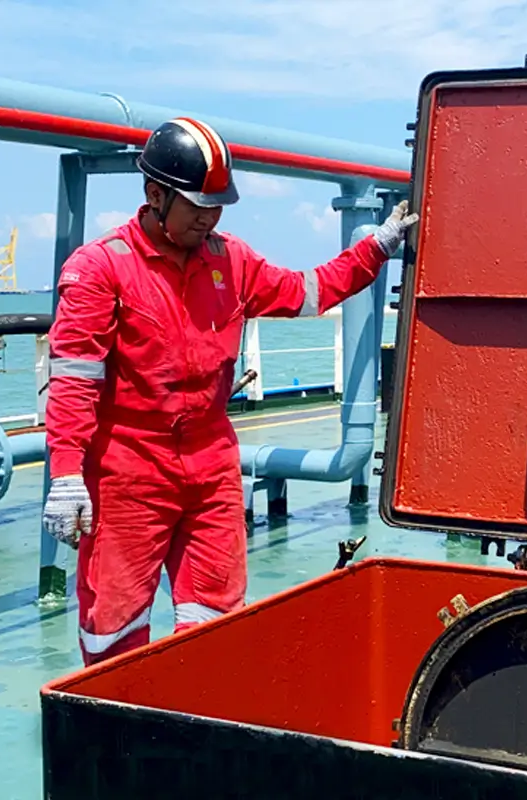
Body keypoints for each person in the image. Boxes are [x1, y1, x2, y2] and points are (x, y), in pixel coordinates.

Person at [41, 117, 418, 666]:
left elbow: (305, 293)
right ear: (154, 195)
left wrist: (375, 249)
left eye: (217, 206)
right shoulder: (100, 269)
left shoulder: (230, 259)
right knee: (113, 626)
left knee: (218, 619)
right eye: (197, 206)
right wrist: (68, 475)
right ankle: (121, 735)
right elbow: (75, 381)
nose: (209, 218)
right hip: (127, 471)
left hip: (211, 464)